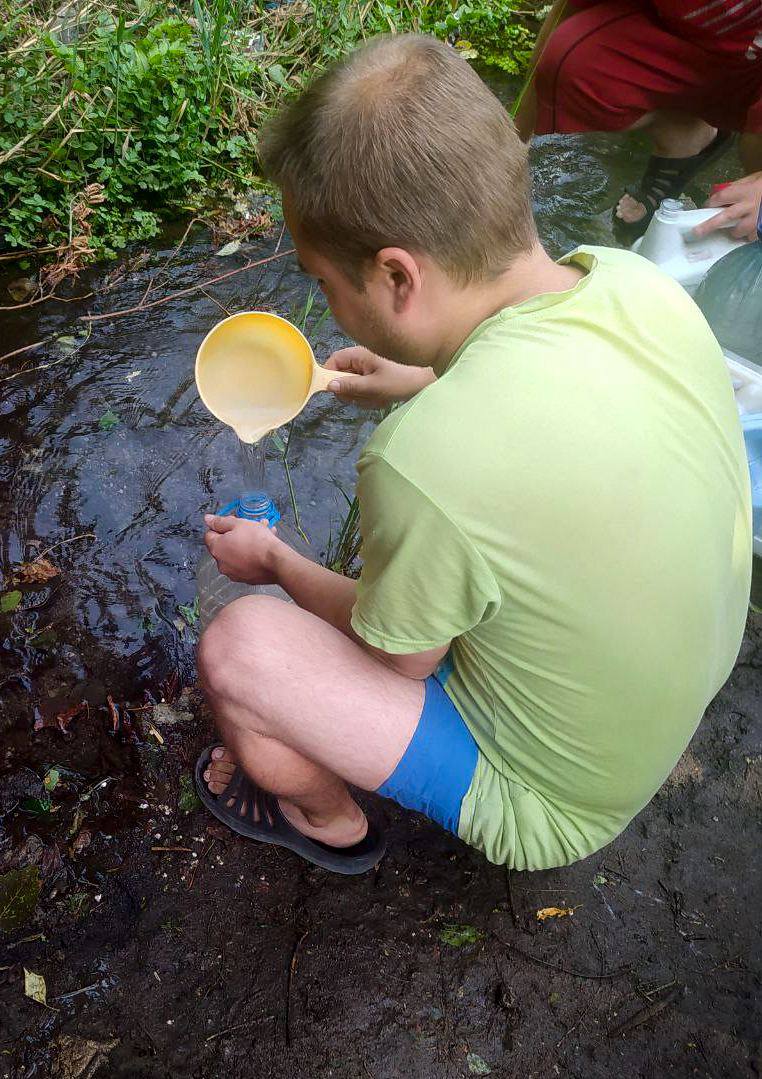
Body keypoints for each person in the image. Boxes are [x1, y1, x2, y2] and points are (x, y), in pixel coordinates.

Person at [195, 34, 751, 875]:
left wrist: (273, 559)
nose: (327, 301)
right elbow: (552, 385)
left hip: (560, 798)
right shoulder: (631, 285)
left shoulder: (423, 463)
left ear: (395, 276)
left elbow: (395, 657)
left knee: (241, 650)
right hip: (673, 692)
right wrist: (423, 374)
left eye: (322, 281)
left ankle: (328, 821)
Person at [514, 0, 762, 242]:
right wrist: (512, 144)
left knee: (756, 145)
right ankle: (684, 132)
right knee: (569, 59)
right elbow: (566, 16)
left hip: (753, 68)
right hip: (692, 44)